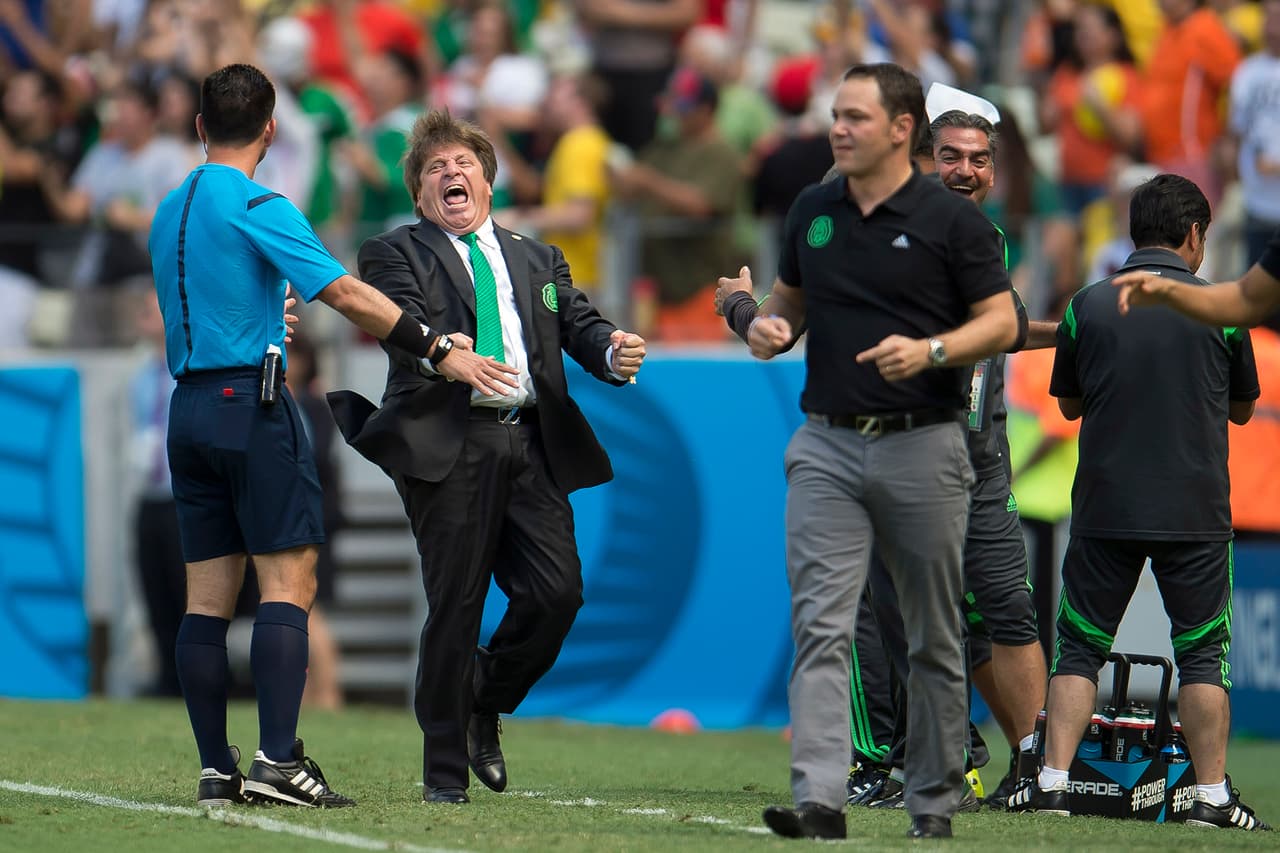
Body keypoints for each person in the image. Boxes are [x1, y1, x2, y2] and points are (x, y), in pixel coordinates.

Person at [150, 63, 516, 809]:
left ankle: (216, 766)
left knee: (206, 602)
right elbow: (344, 293)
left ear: (198, 129)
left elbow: (212, 296)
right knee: (291, 581)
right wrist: (440, 348)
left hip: (184, 409)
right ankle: (279, 761)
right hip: (247, 404)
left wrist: (262, 320)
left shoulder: (167, 208)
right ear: (271, 128)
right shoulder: (259, 200)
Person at [717, 62, 1019, 840]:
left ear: (900, 128)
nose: (839, 127)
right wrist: (757, 322)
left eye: (856, 115)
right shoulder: (814, 210)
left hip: (924, 444)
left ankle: (934, 797)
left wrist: (932, 351)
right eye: (835, 114)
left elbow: (1001, 324)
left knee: (929, 630)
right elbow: (785, 315)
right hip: (827, 442)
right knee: (823, 624)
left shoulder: (957, 223)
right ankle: (822, 799)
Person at [326, 109, 647, 805]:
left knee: (557, 594)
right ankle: (444, 776)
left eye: (463, 163)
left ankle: (481, 698)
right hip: (451, 441)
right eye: (435, 167)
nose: (450, 173)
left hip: (530, 439)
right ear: (418, 194)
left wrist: (615, 352)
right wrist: (450, 358)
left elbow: (581, 326)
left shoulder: (540, 257)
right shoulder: (393, 252)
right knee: (457, 604)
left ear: (489, 182)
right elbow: (404, 324)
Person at [1009, 174, 1270, 832]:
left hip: (1105, 505)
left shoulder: (1085, 306)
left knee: (1078, 648)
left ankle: (1052, 781)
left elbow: (1068, 403)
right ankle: (1210, 795)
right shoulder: (1221, 309)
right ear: (1192, 235)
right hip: (1195, 509)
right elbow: (1242, 409)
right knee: (1203, 655)